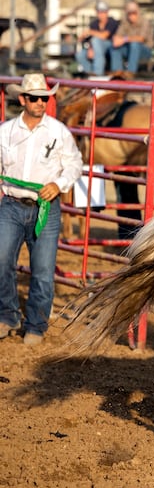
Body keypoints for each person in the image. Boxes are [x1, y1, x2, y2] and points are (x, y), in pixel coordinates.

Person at [0, 73, 82, 345]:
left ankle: (36, 324)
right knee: (1, 262)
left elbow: (74, 164)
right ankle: (8, 315)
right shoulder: (6, 131)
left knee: (43, 271)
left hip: (46, 206)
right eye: (34, 98)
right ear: (23, 99)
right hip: (11, 204)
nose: (40, 102)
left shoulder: (59, 131)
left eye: (44, 98)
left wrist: (58, 184)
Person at [75, 1, 119, 76]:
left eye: (103, 12)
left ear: (107, 12)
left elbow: (104, 36)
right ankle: (90, 74)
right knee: (80, 54)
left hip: (111, 47)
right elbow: (83, 39)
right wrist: (90, 48)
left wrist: (90, 32)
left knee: (96, 42)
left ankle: (98, 74)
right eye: (99, 12)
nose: (101, 14)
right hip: (96, 48)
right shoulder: (94, 24)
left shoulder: (112, 22)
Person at [110, 1, 154, 74]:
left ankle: (130, 72)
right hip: (130, 50)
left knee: (134, 44)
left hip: (145, 51)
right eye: (129, 13)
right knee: (114, 48)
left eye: (134, 13)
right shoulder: (125, 22)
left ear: (138, 12)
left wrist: (124, 39)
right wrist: (116, 40)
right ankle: (117, 72)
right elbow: (117, 36)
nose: (132, 15)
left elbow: (141, 38)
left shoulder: (144, 22)